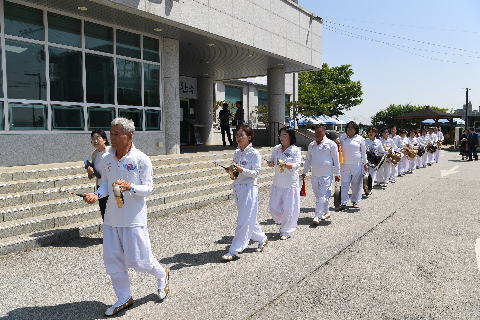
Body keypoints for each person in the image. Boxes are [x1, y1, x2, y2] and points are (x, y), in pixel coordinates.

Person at [84, 118, 169, 317]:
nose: (111, 138)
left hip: (133, 219)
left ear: (129, 136)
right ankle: (124, 298)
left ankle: (162, 274)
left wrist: (130, 187)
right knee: (113, 262)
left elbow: (148, 189)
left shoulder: (141, 159)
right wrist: (96, 195)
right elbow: (106, 184)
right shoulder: (106, 159)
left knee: (141, 261)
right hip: (112, 219)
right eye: (111, 134)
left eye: (116, 134)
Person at [222, 125, 268, 261]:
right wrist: (230, 169)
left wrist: (242, 169)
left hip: (249, 188)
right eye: (237, 135)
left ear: (249, 137)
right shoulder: (237, 152)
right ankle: (262, 238)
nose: (238, 138)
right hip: (237, 186)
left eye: (241, 135)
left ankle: (234, 249)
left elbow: (256, 173)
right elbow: (235, 169)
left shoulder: (254, 153)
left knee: (243, 219)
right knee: (248, 218)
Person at [302, 125, 340, 224]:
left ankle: (317, 216)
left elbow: (336, 159)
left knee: (322, 195)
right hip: (315, 174)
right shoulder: (312, 145)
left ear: (324, 133)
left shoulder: (331, 144)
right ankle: (326, 212)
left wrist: (338, 173)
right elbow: (308, 159)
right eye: (315, 132)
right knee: (319, 195)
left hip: (327, 174)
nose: (317, 134)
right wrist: (304, 172)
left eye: (319, 132)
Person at [267, 126, 301, 239]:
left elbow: (296, 166)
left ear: (291, 137)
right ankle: (285, 221)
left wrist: (284, 164)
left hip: (290, 184)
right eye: (280, 135)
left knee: (289, 208)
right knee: (273, 207)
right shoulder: (276, 148)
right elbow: (272, 159)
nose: (281, 137)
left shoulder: (295, 150)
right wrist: (271, 163)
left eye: (284, 135)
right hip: (277, 183)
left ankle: (286, 230)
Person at [338, 121, 367, 209]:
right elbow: (338, 149)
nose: (350, 129)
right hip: (345, 165)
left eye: (352, 127)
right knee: (344, 184)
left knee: (356, 185)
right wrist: (337, 143)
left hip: (357, 164)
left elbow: (363, 152)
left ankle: (355, 201)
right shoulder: (342, 138)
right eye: (348, 127)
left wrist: (365, 163)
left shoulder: (360, 139)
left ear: (356, 129)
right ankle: (343, 202)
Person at [86, 129, 110, 221]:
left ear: (104, 139)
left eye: (98, 138)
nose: (95, 141)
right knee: (104, 213)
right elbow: (95, 173)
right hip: (100, 187)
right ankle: (108, 235)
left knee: (115, 214)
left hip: (112, 187)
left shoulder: (111, 151)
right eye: (93, 139)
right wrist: (90, 173)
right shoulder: (94, 154)